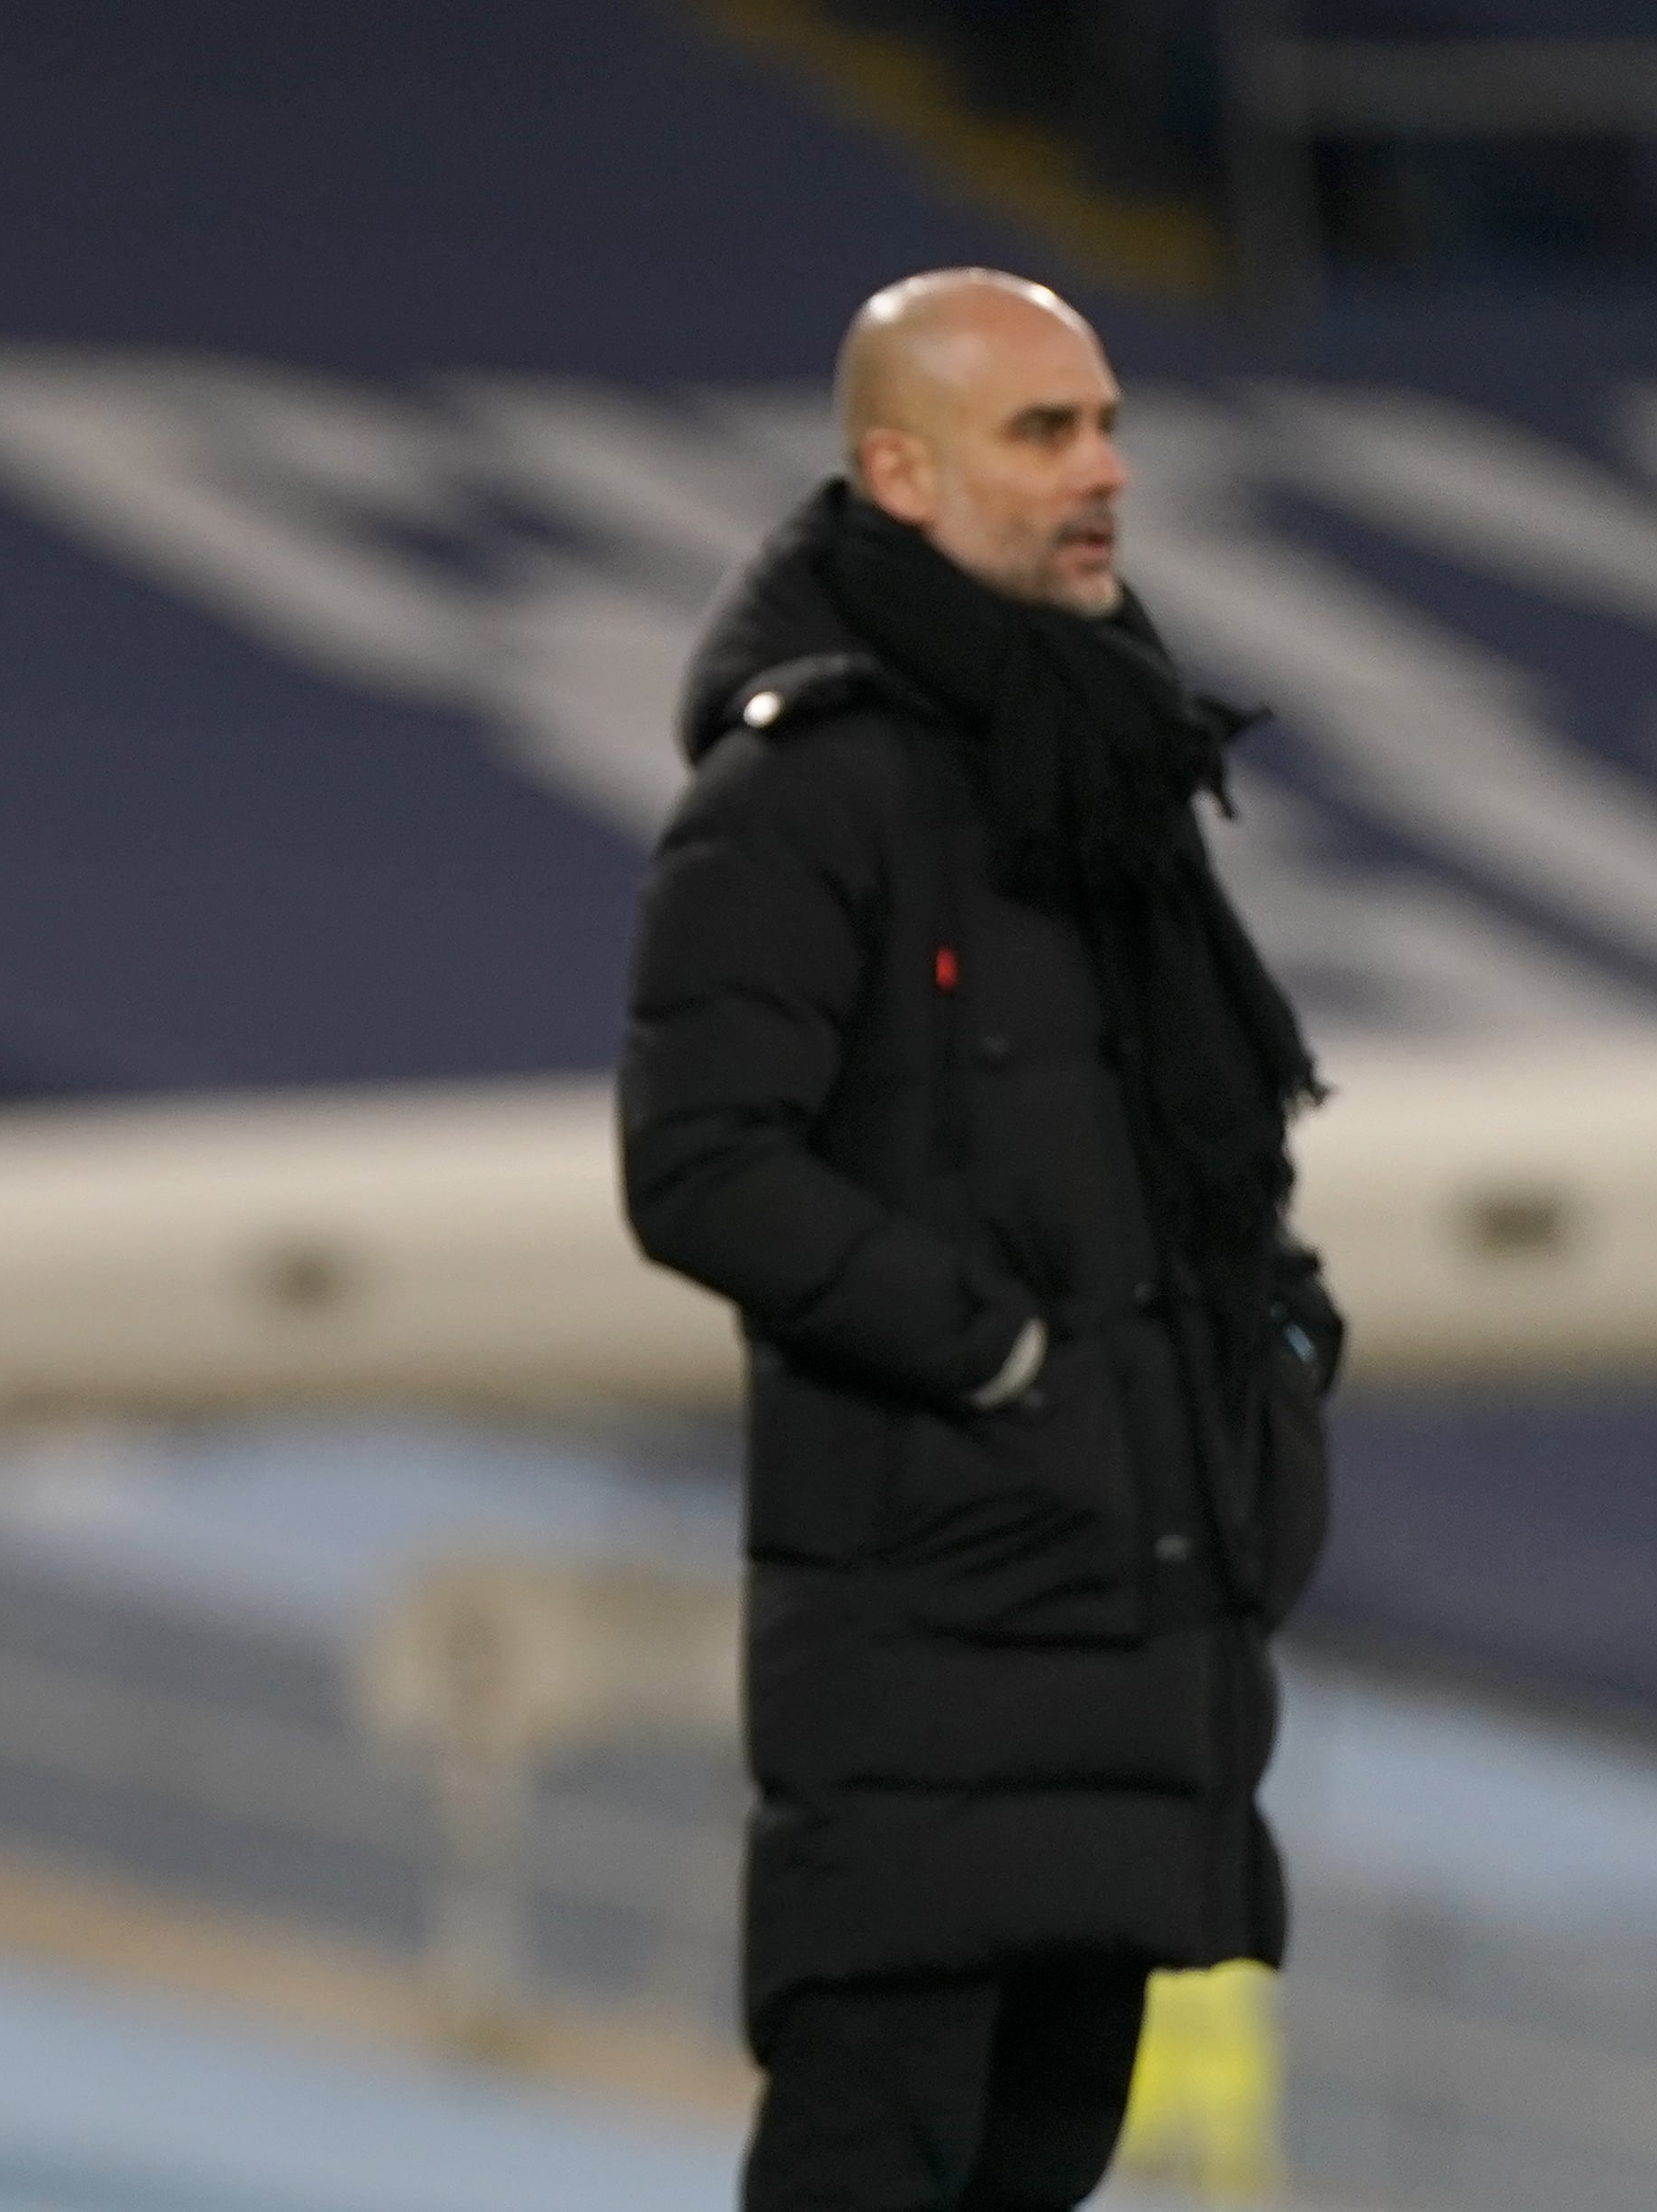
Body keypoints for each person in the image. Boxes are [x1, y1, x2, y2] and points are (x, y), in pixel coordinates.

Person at [617, 269, 1341, 2212]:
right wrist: (1004, 1359)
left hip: (1131, 1641)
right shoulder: (805, 794)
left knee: (1037, 2171)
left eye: (1107, 424)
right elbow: (698, 1164)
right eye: (1044, 432)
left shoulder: (1098, 761)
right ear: (899, 472)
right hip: (936, 1639)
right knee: (874, 2164)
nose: (1104, 469)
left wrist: (1271, 1353)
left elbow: (1191, 1171)